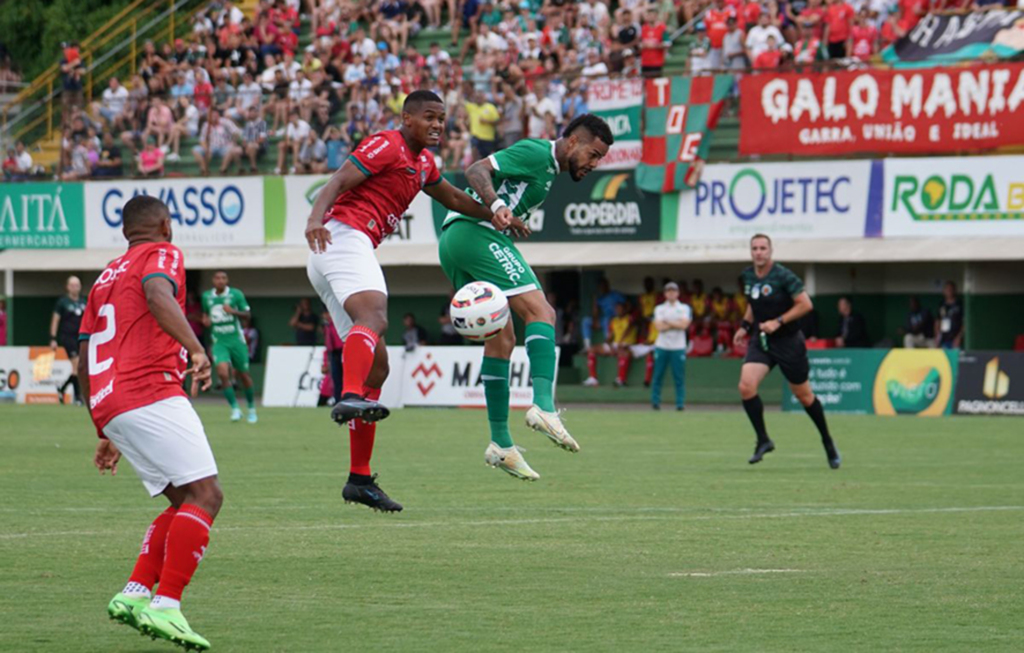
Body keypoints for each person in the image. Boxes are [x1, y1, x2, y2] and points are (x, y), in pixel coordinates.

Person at [304, 90, 493, 511]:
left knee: (380, 364)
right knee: (374, 316)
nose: (438, 124)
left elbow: (456, 199)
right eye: (429, 117)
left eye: (442, 118)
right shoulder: (387, 144)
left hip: (341, 250)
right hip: (341, 238)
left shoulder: (424, 163)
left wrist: (495, 212)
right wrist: (315, 218)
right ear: (406, 118)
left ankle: (359, 479)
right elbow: (336, 181)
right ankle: (349, 393)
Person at [438, 113, 613, 480]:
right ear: (572, 143)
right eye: (593, 154)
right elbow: (475, 171)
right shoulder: (537, 153)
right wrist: (499, 208)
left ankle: (501, 445)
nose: (594, 165)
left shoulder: (547, 172)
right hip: (476, 234)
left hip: (458, 239)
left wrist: (506, 211)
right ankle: (544, 407)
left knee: (502, 339)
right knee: (542, 312)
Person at [78, 195, 218, 651]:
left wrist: (104, 429)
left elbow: (83, 358)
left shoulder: (103, 279)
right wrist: (196, 349)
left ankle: (136, 592)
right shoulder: (164, 253)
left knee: (182, 502)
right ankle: (167, 605)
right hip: (149, 390)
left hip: (110, 401)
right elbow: (159, 294)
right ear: (165, 224)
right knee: (205, 496)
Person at [733, 234, 841, 469]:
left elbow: (806, 304)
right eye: (755, 248)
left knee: (804, 396)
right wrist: (744, 326)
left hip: (788, 341)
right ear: (750, 251)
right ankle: (763, 440)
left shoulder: (783, 275)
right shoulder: (748, 275)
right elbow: (753, 303)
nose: (759, 252)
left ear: (770, 251)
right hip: (762, 341)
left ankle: (827, 441)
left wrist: (778, 321)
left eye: (763, 248)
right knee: (746, 386)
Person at [202, 271, 257, 423]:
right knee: (222, 373)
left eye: (223, 278)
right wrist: (205, 320)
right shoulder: (207, 296)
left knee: (244, 375)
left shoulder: (235, 294)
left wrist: (233, 311)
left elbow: (248, 315)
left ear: (227, 280)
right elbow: (206, 315)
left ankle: (251, 409)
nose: (221, 281)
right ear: (213, 280)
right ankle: (235, 409)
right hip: (219, 341)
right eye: (218, 278)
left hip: (236, 341)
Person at [650, 282, 692, 411]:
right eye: (668, 291)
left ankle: (680, 404)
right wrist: (676, 323)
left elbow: (684, 325)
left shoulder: (684, 308)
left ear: (678, 293)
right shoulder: (659, 308)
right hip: (662, 346)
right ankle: (655, 402)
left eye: (673, 291)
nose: (671, 293)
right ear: (665, 293)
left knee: (679, 376)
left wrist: (667, 322)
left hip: (678, 347)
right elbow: (659, 327)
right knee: (657, 375)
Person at [583, 302, 637, 388]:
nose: (618, 311)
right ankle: (593, 378)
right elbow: (610, 336)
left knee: (623, 352)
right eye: (616, 309)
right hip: (615, 344)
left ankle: (621, 379)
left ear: (624, 309)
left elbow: (628, 330)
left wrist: (618, 345)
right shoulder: (614, 320)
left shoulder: (629, 318)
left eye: (620, 309)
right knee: (591, 349)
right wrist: (609, 345)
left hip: (627, 344)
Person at [51, 275, 87, 404]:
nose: (75, 288)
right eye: (72, 285)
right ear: (67, 287)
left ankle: (62, 389)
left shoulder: (83, 302)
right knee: (76, 366)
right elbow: (55, 320)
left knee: (79, 368)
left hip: (81, 337)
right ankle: (78, 397)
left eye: (77, 285)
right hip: (68, 337)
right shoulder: (63, 302)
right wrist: (53, 338)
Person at [935, 281, 964, 349]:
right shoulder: (942, 305)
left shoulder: (959, 304)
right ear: (944, 291)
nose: (949, 291)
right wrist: (937, 336)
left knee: (955, 358)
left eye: (951, 289)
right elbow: (937, 321)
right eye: (947, 289)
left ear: (954, 290)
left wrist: (959, 337)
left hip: (956, 339)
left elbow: (964, 322)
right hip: (944, 338)